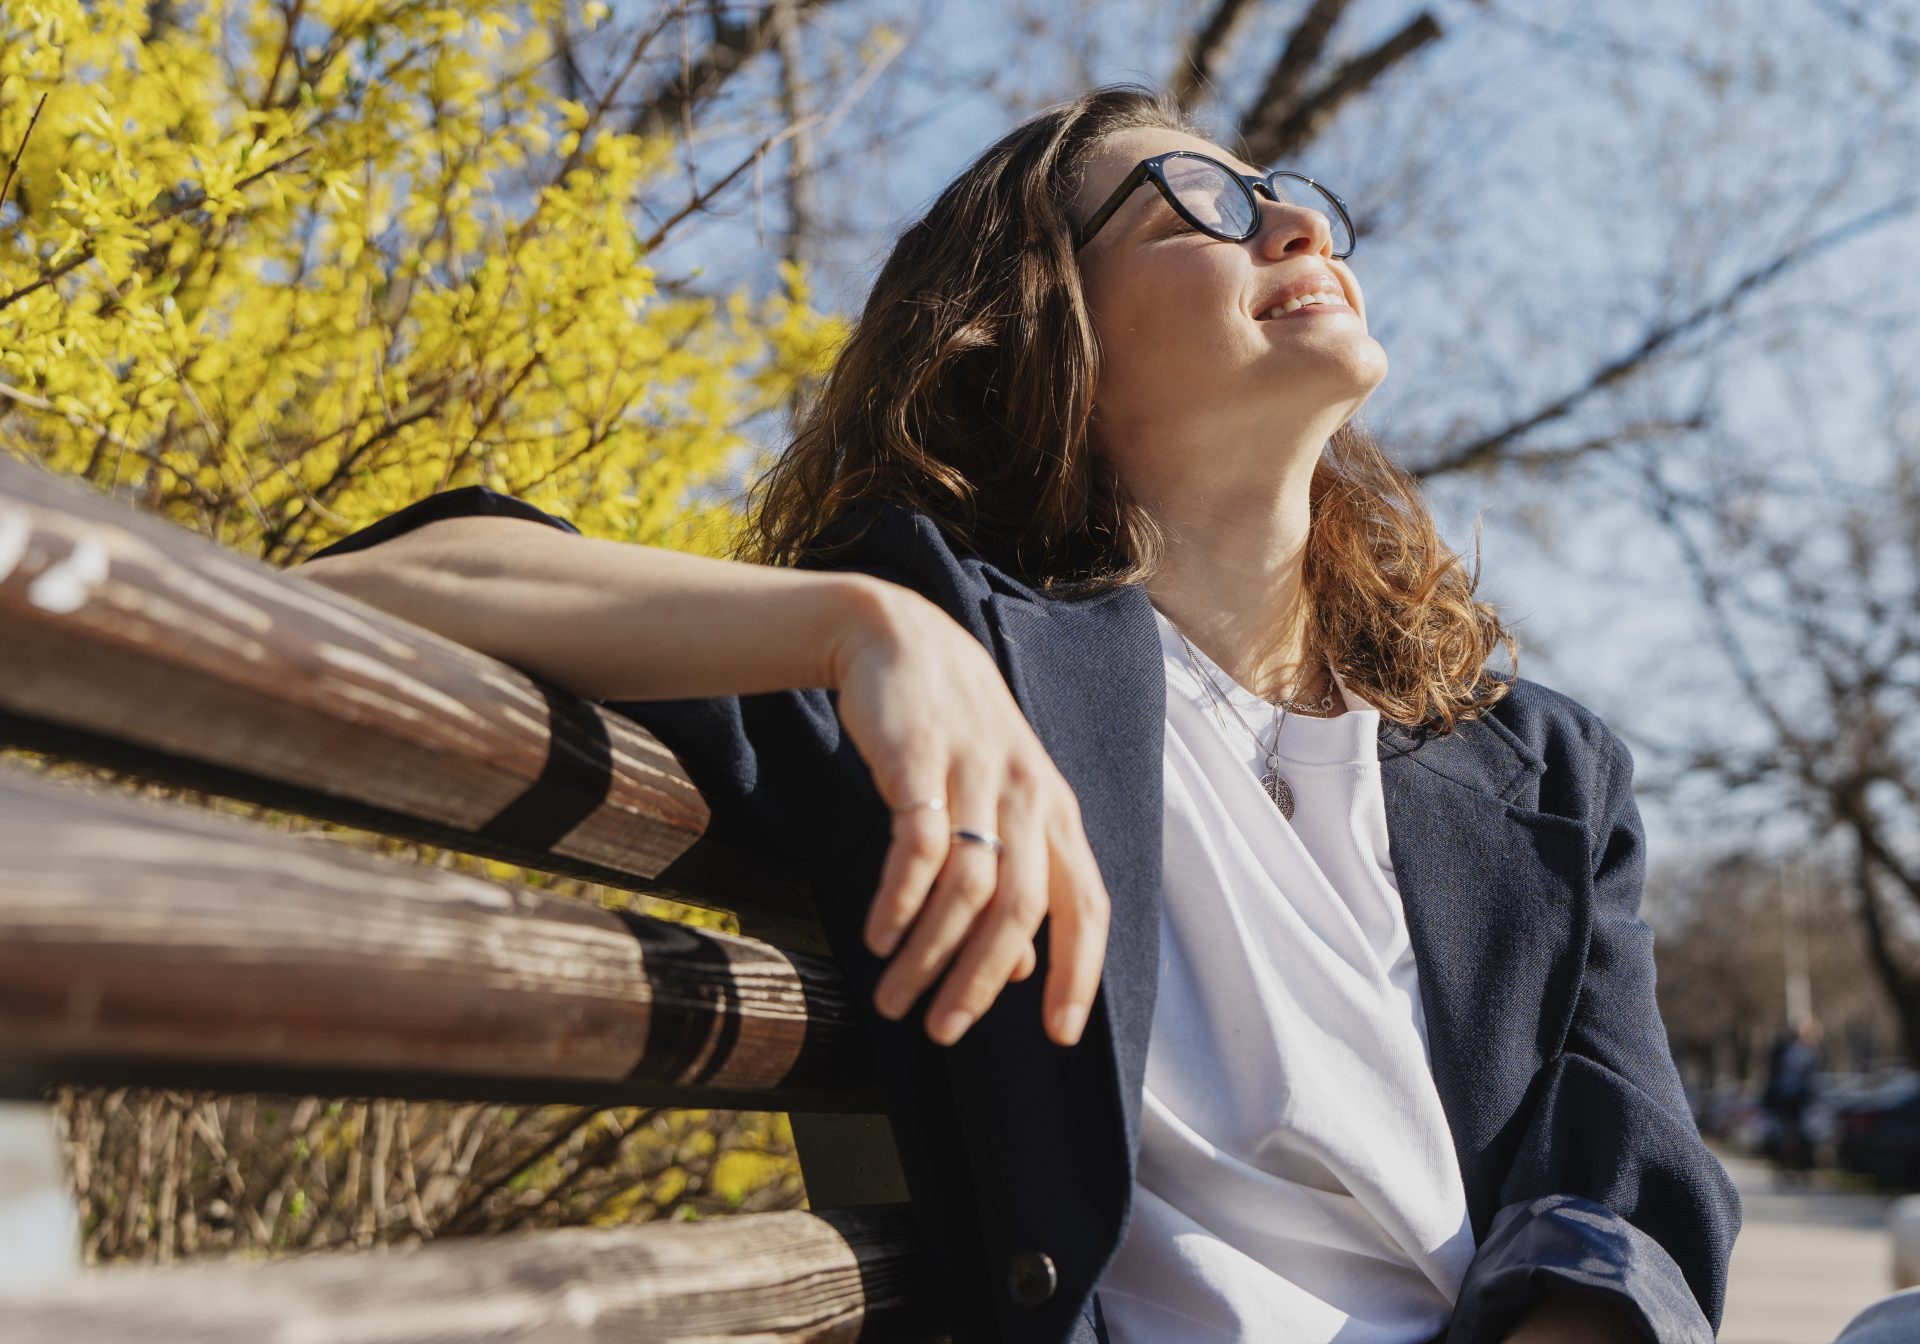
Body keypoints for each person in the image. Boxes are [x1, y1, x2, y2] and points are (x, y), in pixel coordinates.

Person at [295, 84, 1739, 1344]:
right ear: (1039, 326)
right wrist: (864, 630)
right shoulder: (955, 660)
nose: (1293, 227)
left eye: (1296, 201)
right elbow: (386, 583)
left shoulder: (1536, 768)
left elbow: (1621, 1167)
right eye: (1199, 205)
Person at [1762, 1016, 1823, 1188]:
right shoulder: (1782, 1048)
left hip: (1801, 1103)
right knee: (1781, 1138)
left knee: (1804, 1138)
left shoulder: (1812, 1052)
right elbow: (1772, 1074)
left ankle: (1804, 1171)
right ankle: (1783, 1171)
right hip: (1781, 1101)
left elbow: (1812, 1080)